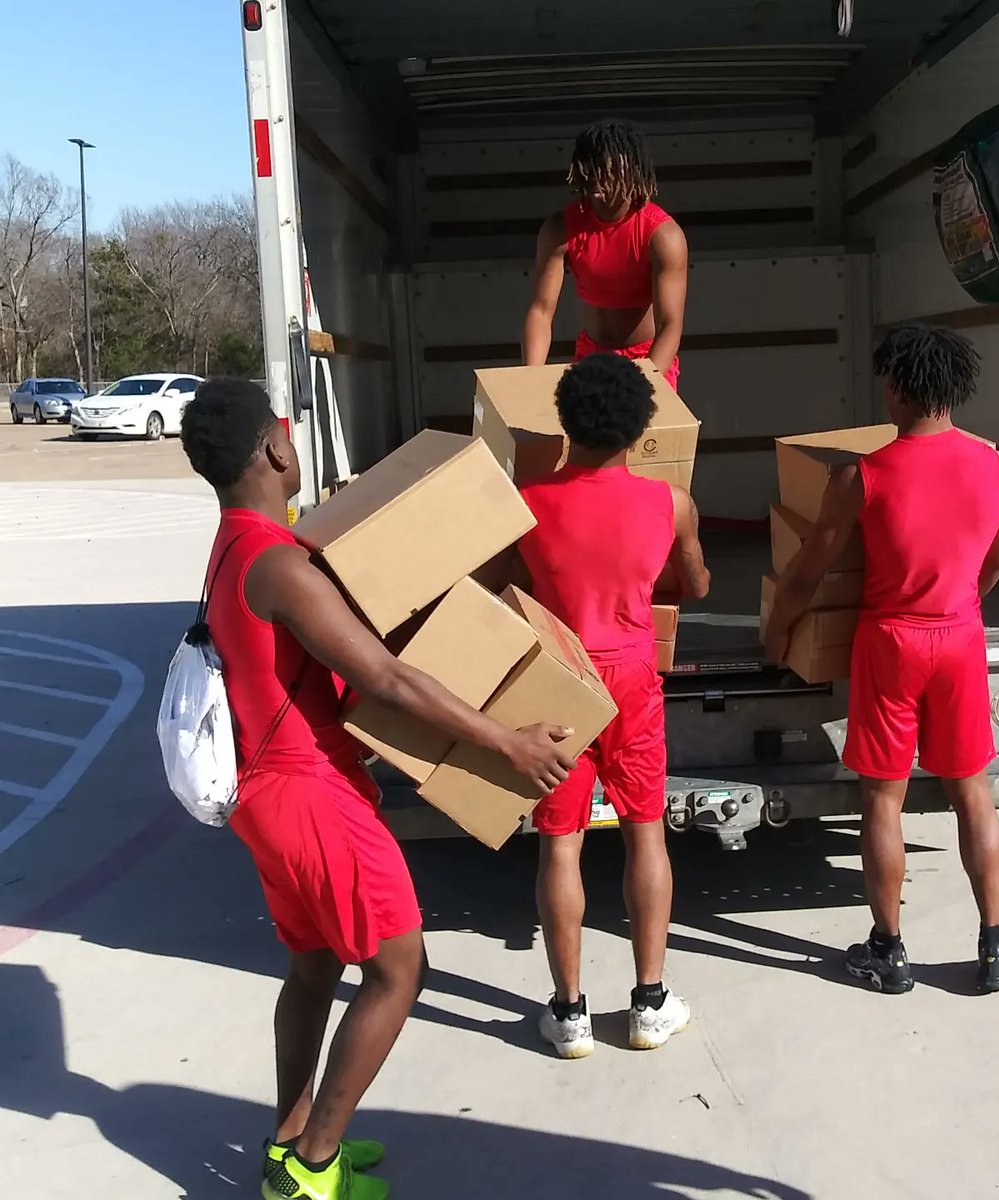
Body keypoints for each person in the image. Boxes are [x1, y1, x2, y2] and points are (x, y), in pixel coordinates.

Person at [181, 379, 577, 1200]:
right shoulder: (277, 563)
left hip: (267, 794)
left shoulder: (231, 546)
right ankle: (315, 1168)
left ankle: (288, 1145)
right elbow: (389, 678)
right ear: (275, 449)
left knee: (315, 966)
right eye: (287, 434)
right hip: (309, 791)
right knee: (400, 971)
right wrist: (506, 741)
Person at [763, 326, 999, 996]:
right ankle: (995, 944)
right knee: (972, 791)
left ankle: (889, 950)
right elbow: (997, 560)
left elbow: (809, 569)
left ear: (899, 387)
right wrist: (961, 602)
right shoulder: (998, 467)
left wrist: (777, 629)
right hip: (959, 637)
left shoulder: (861, 473)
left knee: (883, 797)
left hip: (891, 642)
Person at [510, 353, 710, 1057]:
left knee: (560, 846)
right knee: (645, 831)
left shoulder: (527, 501)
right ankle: (650, 1003)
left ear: (565, 422)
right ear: (640, 428)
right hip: (632, 674)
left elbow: (502, 587)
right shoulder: (669, 504)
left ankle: (569, 1015)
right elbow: (695, 585)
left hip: (560, 676)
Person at [522, 118, 688, 390]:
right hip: (591, 358)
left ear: (632, 170)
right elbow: (540, 311)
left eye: (610, 170)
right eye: (591, 169)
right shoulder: (559, 230)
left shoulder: (663, 236)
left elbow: (670, 325)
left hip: (648, 361)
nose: (599, 179)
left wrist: (643, 384)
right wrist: (529, 379)